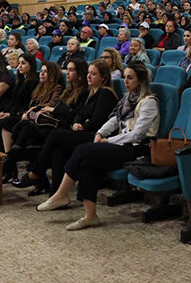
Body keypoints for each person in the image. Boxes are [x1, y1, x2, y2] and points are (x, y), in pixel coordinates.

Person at [36, 61, 159, 230]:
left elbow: (138, 134)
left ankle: (61, 195)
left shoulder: (149, 102)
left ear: (141, 80)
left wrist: (110, 140)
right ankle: (90, 216)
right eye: (125, 77)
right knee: (87, 162)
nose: (125, 81)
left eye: (130, 78)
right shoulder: (128, 99)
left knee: (82, 150)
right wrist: (100, 133)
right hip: (122, 144)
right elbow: (114, 120)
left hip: (137, 149)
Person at [19, 60, 118, 196]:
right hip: (85, 131)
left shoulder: (105, 93)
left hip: (97, 136)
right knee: (58, 150)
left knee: (56, 134)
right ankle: (57, 195)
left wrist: (82, 126)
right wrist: (77, 122)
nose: (89, 76)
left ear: (103, 77)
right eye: (88, 73)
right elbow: (80, 114)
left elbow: (98, 121)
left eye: (93, 74)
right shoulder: (92, 93)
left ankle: (36, 172)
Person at [0, 53, 40, 152]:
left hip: (22, 114)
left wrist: (10, 114)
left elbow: (28, 104)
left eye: (23, 63)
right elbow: (13, 101)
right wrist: (5, 112)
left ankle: (6, 156)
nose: (20, 66)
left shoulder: (34, 82)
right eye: (19, 63)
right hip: (12, 112)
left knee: (1, 125)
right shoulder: (20, 81)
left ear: (31, 65)